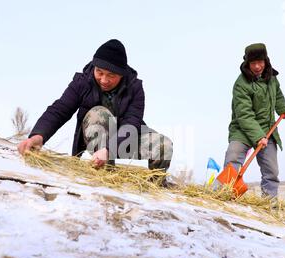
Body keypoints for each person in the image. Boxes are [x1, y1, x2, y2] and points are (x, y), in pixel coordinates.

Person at [18, 39, 173, 175]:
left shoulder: (135, 88)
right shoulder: (82, 82)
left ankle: (150, 192)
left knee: (164, 145)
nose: (104, 80)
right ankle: (104, 176)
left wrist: (110, 150)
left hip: (124, 138)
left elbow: (132, 123)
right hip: (95, 132)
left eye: (111, 75)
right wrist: (39, 135)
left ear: (122, 74)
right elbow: (59, 109)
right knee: (99, 113)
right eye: (99, 72)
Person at [222, 43, 285, 198]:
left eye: (260, 62)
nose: (258, 66)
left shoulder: (271, 78)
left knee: (271, 171)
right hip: (242, 130)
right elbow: (244, 114)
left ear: (265, 60)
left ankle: (269, 205)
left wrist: (283, 108)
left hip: (267, 129)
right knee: (232, 160)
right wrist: (258, 136)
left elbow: (277, 94)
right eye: (253, 63)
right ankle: (224, 197)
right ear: (247, 63)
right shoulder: (241, 84)